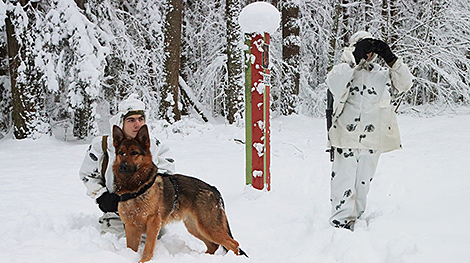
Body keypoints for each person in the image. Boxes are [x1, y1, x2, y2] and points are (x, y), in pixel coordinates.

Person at [325, 31, 413, 231]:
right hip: (345, 136)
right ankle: (340, 220)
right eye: (363, 48)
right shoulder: (343, 70)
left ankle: (357, 217)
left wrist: (392, 59)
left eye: (370, 50)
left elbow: (405, 84)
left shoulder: (381, 74)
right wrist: (354, 58)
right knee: (343, 180)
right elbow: (334, 85)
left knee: (362, 183)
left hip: (372, 138)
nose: (368, 54)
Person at [79, 94, 175, 237]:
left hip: (146, 213)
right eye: (131, 120)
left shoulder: (155, 146)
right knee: (114, 247)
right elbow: (87, 175)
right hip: (115, 214)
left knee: (147, 247)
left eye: (140, 119)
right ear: (121, 121)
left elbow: (168, 175)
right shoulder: (103, 145)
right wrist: (102, 196)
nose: (137, 124)